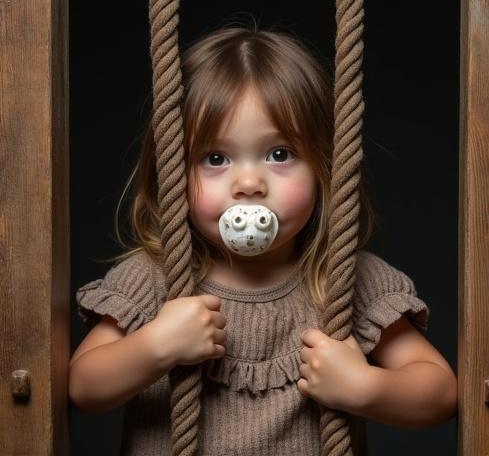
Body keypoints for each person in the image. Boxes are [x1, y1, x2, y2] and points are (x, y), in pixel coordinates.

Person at [68, 24, 458, 455]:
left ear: (323, 168)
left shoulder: (344, 279)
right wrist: (154, 347)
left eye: (279, 154)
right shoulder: (153, 278)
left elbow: (438, 393)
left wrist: (366, 387)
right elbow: (84, 387)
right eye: (215, 159)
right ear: (171, 175)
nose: (249, 183)